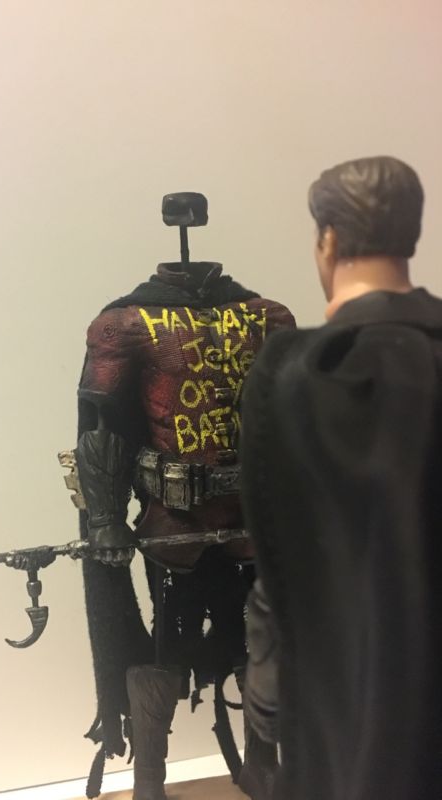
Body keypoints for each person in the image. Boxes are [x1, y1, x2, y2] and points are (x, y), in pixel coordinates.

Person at [73, 192, 295, 800]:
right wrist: (105, 518)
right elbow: (101, 428)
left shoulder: (268, 317)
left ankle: (263, 763)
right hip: (173, 519)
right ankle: (149, 778)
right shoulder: (123, 324)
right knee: (165, 646)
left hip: (250, 517)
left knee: (260, 639)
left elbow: (291, 418)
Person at [240, 156, 442, 800]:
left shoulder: (292, 374)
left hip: (344, 706)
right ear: (411, 233)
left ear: (327, 240)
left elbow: (276, 558)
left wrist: (266, 691)